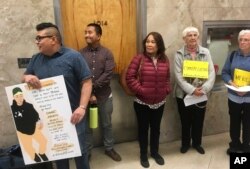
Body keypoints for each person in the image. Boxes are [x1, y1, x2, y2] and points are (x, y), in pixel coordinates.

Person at [22, 22, 92, 169]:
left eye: (39, 38)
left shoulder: (73, 56)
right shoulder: (36, 59)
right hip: (50, 119)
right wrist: (27, 78)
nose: (37, 42)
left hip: (74, 117)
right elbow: (24, 77)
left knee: (81, 156)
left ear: (53, 39)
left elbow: (87, 82)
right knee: (59, 157)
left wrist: (82, 107)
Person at [126, 32, 171, 168]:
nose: (149, 44)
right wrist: (142, 90)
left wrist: (166, 90)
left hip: (159, 102)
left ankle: (155, 152)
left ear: (159, 45)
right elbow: (130, 78)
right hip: (142, 103)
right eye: (147, 41)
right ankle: (143, 155)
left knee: (156, 129)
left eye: (153, 42)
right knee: (143, 129)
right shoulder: (138, 58)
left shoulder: (164, 59)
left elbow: (168, 77)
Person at [79, 23, 121, 162]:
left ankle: (109, 148)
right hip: (86, 98)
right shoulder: (80, 54)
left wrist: (92, 89)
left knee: (107, 124)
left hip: (104, 96)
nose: (86, 35)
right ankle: (87, 151)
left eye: (90, 32)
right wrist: (89, 94)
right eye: (85, 32)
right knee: (88, 127)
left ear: (98, 35)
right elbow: (78, 75)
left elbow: (108, 74)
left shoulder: (107, 53)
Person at [174, 26, 215, 155]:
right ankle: (185, 144)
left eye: (195, 35)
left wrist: (204, 89)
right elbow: (178, 75)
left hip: (201, 94)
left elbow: (211, 72)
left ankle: (197, 143)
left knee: (198, 120)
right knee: (185, 121)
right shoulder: (179, 54)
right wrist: (192, 90)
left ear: (198, 37)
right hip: (184, 94)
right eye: (189, 35)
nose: (192, 37)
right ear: (184, 39)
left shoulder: (206, 52)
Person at [222, 29, 250, 154]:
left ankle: (246, 145)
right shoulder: (232, 55)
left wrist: (247, 89)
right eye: (241, 39)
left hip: (249, 98)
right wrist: (230, 82)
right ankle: (234, 144)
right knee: (234, 122)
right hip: (233, 97)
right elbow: (225, 72)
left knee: (248, 123)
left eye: (246, 40)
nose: (242, 42)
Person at [11, 87, 48, 163]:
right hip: (22, 132)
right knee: (28, 147)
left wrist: (39, 121)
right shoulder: (12, 108)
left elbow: (36, 115)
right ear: (13, 97)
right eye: (17, 96)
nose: (19, 98)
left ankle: (41, 153)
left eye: (21, 95)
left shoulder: (29, 106)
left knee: (43, 141)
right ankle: (34, 156)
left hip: (33, 128)